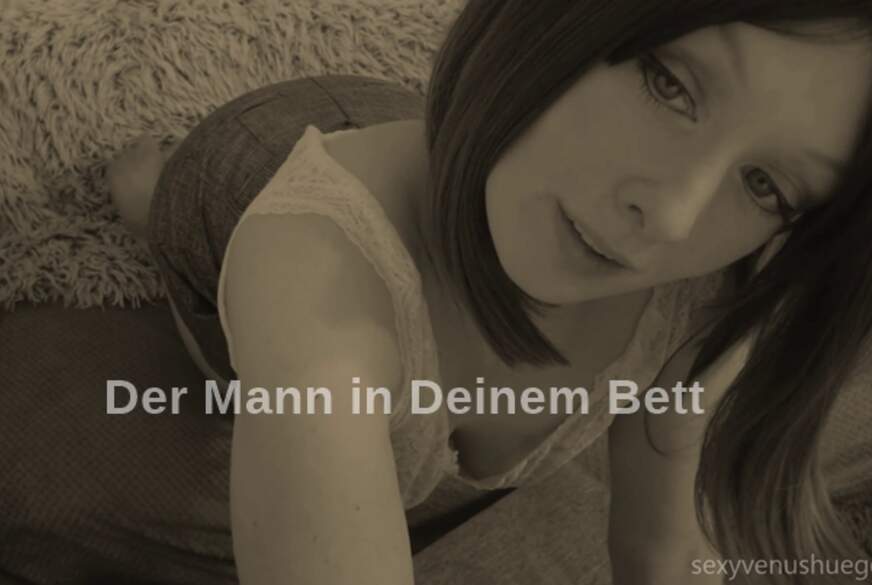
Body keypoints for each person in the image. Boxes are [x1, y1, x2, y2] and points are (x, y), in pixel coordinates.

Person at [104, 1, 872, 584]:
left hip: (457, 142)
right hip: (245, 167)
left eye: (765, 184)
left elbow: (661, 546)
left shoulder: (714, 285)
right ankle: (159, 193)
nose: (673, 215)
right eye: (668, 82)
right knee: (227, 322)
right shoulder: (311, 274)